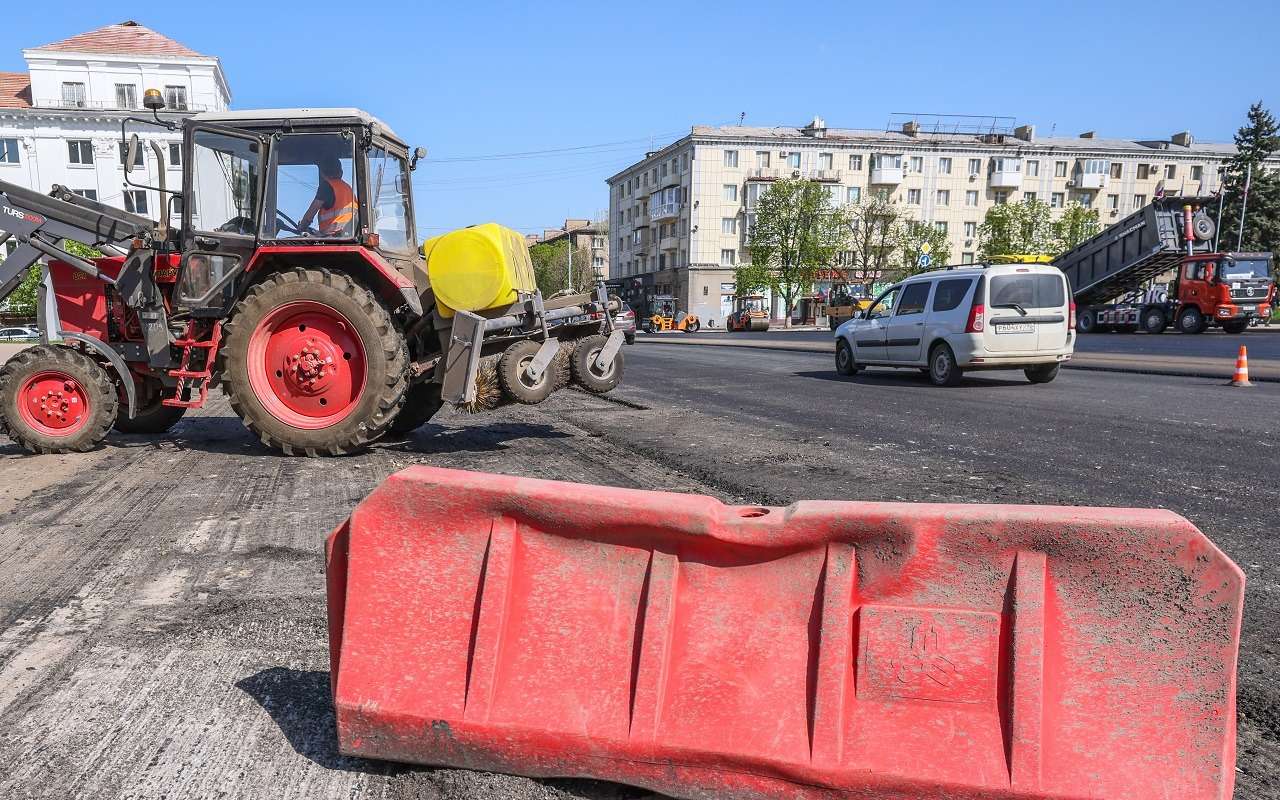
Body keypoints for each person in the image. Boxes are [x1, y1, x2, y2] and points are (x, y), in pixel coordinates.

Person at [298, 157, 355, 237]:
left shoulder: (327, 186)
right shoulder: (348, 188)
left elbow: (312, 211)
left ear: (322, 173)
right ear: (341, 172)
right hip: (348, 235)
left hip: (332, 236)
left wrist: (302, 226)